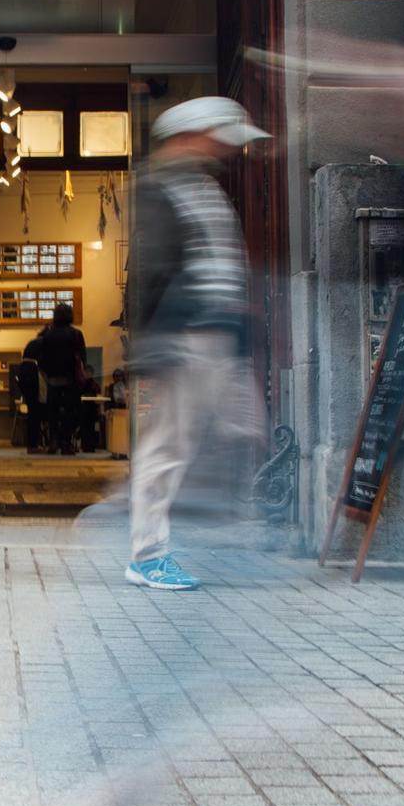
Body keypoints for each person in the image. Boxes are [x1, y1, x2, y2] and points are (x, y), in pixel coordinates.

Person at [123, 96, 268, 591]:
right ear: (192, 135)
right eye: (220, 138)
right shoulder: (161, 188)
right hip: (186, 335)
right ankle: (147, 552)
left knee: (234, 431)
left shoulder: (203, 188)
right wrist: (152, 342)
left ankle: (201, 536)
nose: (226, 150)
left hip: (217, 335)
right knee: (168, 445)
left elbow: (219, 265)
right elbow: (147, 271)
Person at [33, 303, 88, 455]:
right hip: (71, 381)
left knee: (53, 414)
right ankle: (66, 443)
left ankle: (53, 442)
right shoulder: (76, 334)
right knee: (70, 413)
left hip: (53, 381)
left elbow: (40, 358)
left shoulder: (47, 335)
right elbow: (83, 358)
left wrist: (48, 373)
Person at [11, 337, 46, 454]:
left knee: (33, 411)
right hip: (31, 375)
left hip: (24, 374)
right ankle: (34, 444)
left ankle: (33, 444)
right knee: (36, 412)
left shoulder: (32, 343)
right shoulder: (43, 344)